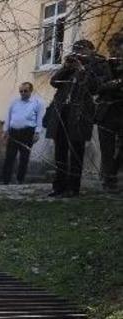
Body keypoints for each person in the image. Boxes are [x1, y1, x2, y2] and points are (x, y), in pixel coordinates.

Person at [44, 40, 102, 198]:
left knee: (76, 151)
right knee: (60, 151)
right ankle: (59, 186)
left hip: (80, 114)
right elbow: (54, 82)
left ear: (91, 50)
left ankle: (73, 188)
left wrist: (82, 70)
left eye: (82, 50)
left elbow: (95, 86)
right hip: (62, 111)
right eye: (76, 50)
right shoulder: (70, 67)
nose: (79, 53)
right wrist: (66, 67)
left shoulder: (98, 65)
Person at [2, 82, 45, 184]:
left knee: (24, 157)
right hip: (14, 132)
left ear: (31, 91)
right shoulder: (14, 102)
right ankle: (5, 180)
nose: (23, 93)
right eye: (21, 91)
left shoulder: (37, 103)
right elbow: (8, 116)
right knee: (9, 157)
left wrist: (37, 133)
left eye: (25, 91)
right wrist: (5, 130)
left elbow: (39, 119)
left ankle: (20, 179)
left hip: (27, 132)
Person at [97, 32, 123, 193]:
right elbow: (99, 86)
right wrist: (118, 83)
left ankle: (113, 174)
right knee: (106, 149)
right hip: (106, 112)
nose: (115, 51)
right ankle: (109, 180)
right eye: (113, 47)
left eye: (118, 48)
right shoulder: (103, 65)